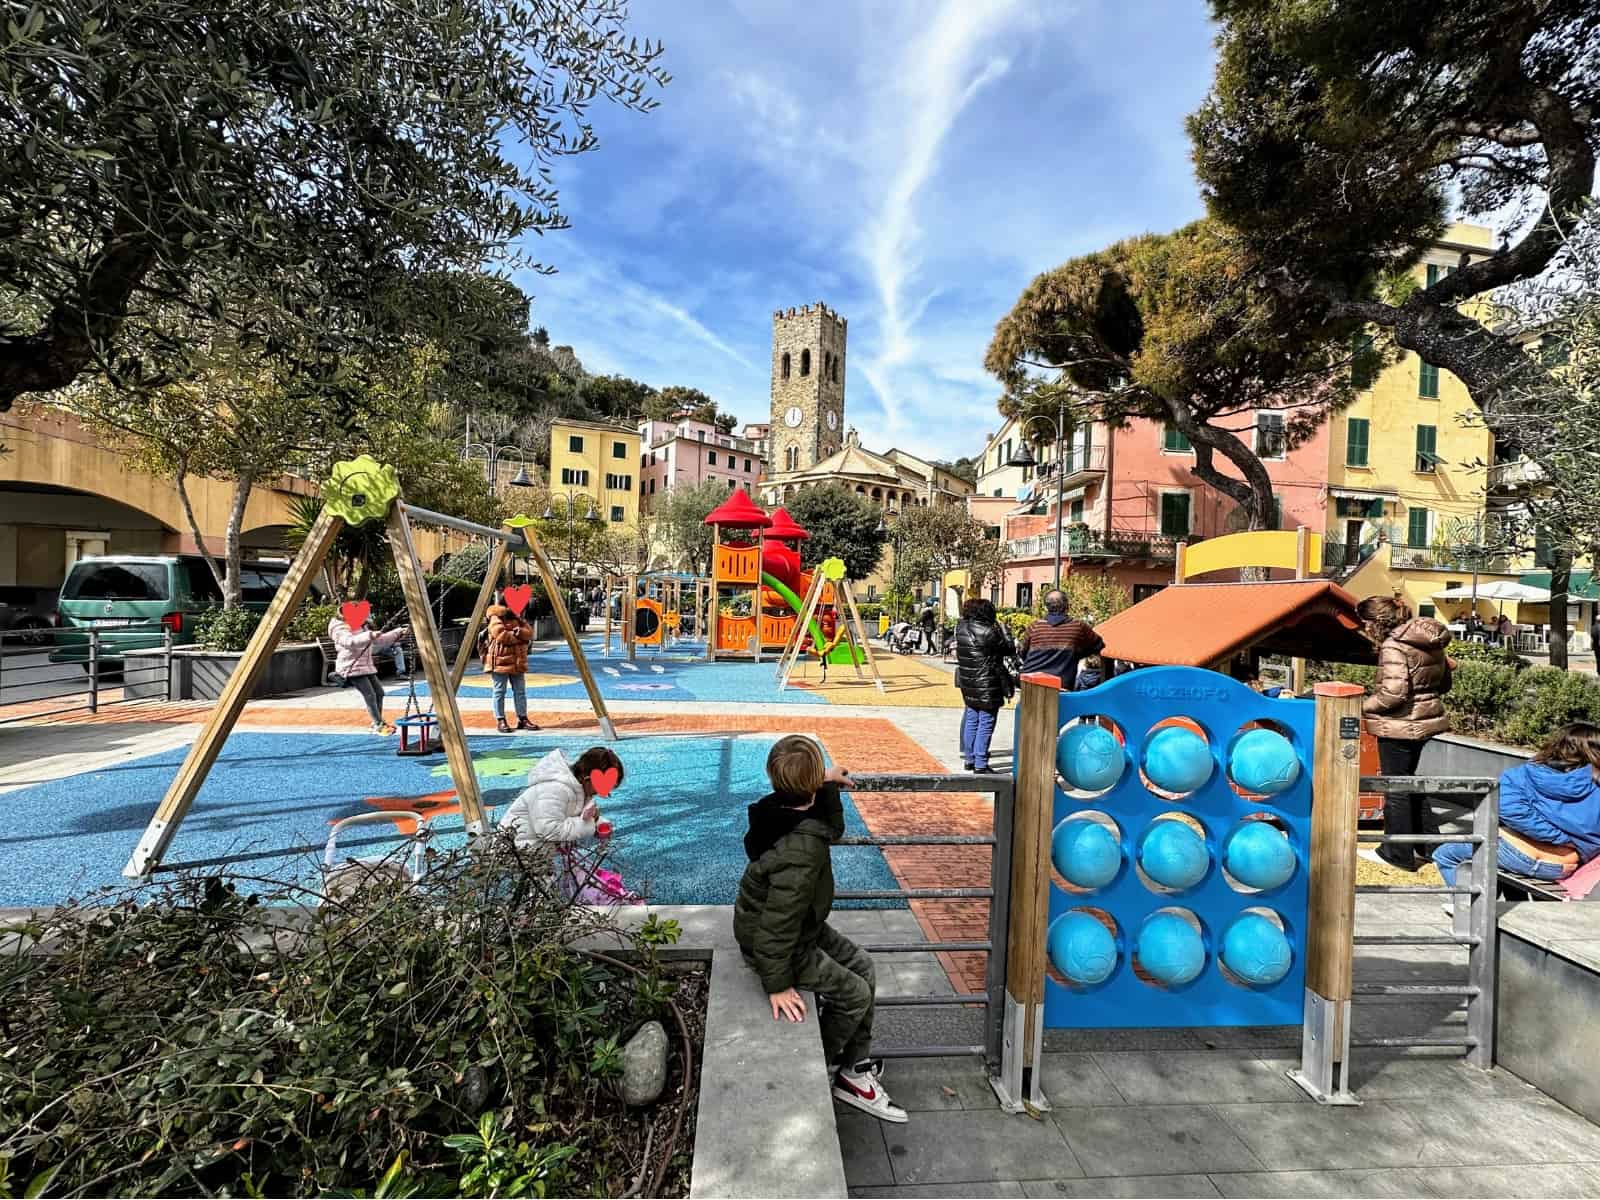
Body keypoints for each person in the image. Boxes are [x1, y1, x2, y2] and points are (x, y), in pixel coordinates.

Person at [733, 736, 907, 1124]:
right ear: (809, 787)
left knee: (864, 966)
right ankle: (823, 1066)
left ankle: (854, 1068)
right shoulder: (801, 850)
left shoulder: (775, 809)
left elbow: (832, 825)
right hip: (781, 942)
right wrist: (777, 983)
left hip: (800, 927)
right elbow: (776, 926)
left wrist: (825, 782)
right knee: (855, 993)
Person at [1434, 723, 1600, 886]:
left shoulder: (1524, 774)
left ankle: (1467, 908)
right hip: (1563, 865)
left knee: (1444, 855)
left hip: (1514, 853)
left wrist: (1559, 838)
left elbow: (1510, 811)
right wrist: (1573, 842)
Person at [1357, 596, 1453, 872]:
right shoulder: (1429, 640)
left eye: (1364, 623)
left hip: (1399, 724)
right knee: (1409, 783)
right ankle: (1430, 847)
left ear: (1375, 622)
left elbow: (1393, 693)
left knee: (1395, 787)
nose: (1363, 628)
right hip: (1425, 720)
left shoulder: (1393, 645)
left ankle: (1396, 853)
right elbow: (1444, 682)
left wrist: (1362, 707)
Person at [500, 746, 625, 879]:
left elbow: (571, 817)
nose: (601, 793)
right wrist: (590, 824)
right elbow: (549, 829)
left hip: (534, 850)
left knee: (545, 888)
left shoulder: (577, 791)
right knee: (540, 891)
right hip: (518, 850)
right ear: (587, 777)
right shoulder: (554, 790)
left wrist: (597, 821)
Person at [954, 597, 1016, 773]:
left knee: (972, 717)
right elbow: (1008, 650)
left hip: (969, 681)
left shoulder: (961, 629)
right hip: (988, 682)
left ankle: (969, 758)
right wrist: (1006, 632)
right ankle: (981, 763)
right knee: (986, 721)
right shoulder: (989, 632)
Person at [328, 611, 408, 734]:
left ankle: (377, 721)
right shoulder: (339, 627)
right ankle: (378, 724)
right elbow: (350, 642)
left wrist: (398, 632)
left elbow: (379, 640)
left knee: (379, 693)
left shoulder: (361, 625)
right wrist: (369, 635)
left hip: (365, 665)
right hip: (351, 667)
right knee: (370, 695)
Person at [1017, 589, 1103, 688]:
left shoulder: (1035, 626)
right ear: (1067, 606)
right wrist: (1076, 654)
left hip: (1029, 682)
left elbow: (1022, 653)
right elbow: (1099, 644)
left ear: (1046, 607)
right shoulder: (1078, 626)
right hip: (1061, 685)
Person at [483, 596, 537, 734]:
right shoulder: (496, 617)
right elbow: (502, 636)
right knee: (499, 691)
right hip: (500, 660)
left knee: (520, 691)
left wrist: (520, 633)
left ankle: (522, 718)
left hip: (517, 661)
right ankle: (500, 719)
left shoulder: (518, 618)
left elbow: (530, 633)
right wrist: (520, 637)